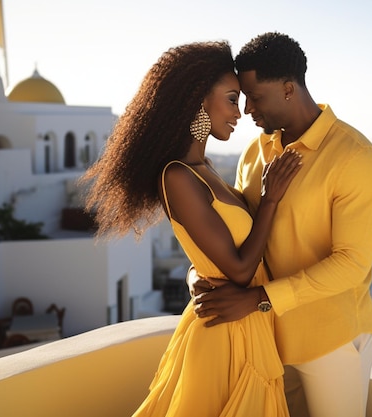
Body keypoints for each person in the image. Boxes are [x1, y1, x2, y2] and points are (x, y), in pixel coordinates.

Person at [80, 41, 302, 417]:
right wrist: (270, 199)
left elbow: (210, 255)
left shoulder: (206, 169)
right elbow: (240, 268)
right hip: (223, 338)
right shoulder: (177, 176)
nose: (240, 112)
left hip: (246, 326)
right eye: (232, 99)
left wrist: (195, 272)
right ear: (199, 100)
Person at [192, 32, 372, 417]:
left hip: (332, 340)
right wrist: (198, 276)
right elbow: (234, 232)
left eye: (255, 97)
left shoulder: (355, 158)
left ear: (287, 89)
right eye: (242, 98)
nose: (247, 109)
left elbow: (351, 264)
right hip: (265, 339)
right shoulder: (255, 152)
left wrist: (258, 299)